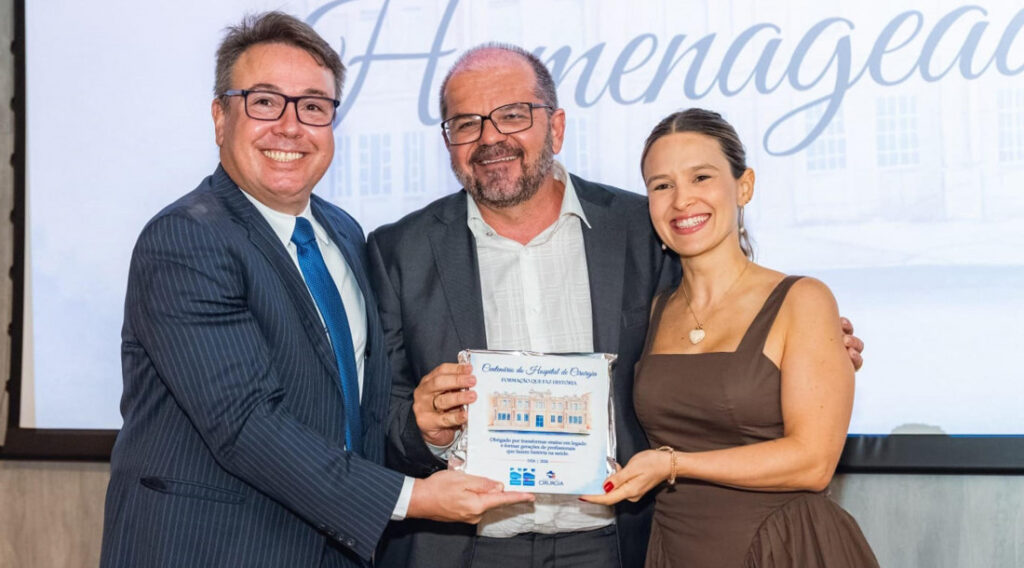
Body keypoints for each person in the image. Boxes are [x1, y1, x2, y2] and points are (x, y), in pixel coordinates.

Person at [368, 47, 865, 568]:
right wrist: (424, 431)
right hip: (462, 550)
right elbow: (375, 416)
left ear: (556, 127)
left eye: (513, 115)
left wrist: (812, 346)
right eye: (466, 123)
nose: (490, 137)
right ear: (447, 141)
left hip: (618, 543)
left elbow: (724, 317)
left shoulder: (642, 229)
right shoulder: (398, 251)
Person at [99, 13, 530, 568]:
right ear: (220, 118)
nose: (290, 126)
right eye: (264, 102)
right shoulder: (186, 239)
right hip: (213, 547)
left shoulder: (343, 233)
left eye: (313, 106)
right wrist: (413, 498)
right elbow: (245, 423)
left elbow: (353, 409)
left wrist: (424, 428)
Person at [581, 109, 879, 567]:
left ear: (744, 186)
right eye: (662, 185)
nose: (682, 200)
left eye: (701, 177)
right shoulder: (653, 311)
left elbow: (814, 463)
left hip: (784, 548)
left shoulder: (802, 299)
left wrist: (673, 464)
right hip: (676, 549)